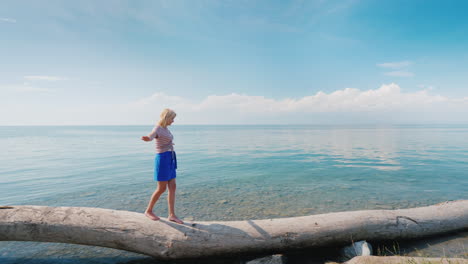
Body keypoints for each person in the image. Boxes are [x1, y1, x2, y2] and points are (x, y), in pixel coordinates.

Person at [141, 108, 183, 224]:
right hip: (163, 159)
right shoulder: (158, 128)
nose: (173, 121)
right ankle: (148, 211)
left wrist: (169, 144)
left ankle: (172, 215)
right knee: (161, 188)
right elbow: (151, 136)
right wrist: (147, 138)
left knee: (173, 186)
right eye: (172, 119)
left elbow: (164, 140)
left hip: (170, 158)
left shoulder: (166, 129)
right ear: (167, 118)